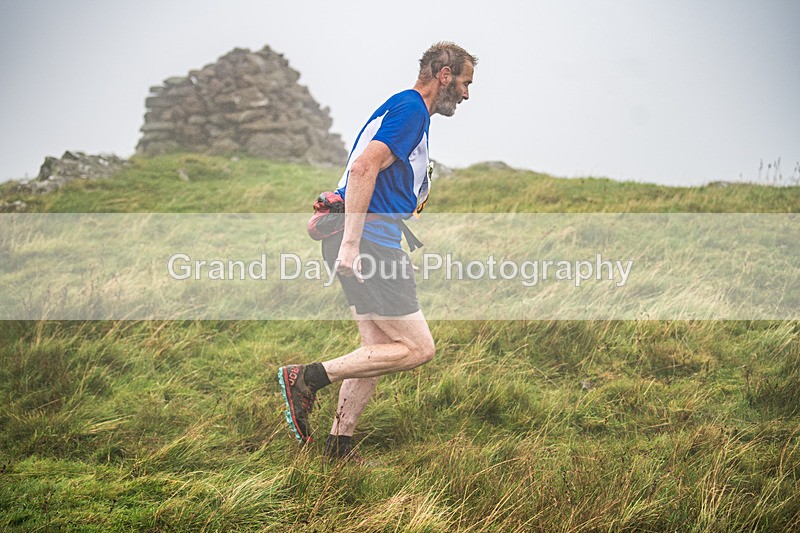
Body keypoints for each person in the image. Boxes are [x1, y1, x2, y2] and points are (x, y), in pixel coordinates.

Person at [278, 42, 477, 461]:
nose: (466, 94)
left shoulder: (401, 108)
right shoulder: (412, 111)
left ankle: (339, 445)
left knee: (374, 350)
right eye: (464, 82)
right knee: (419, 348)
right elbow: (363, 167)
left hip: (364, 237)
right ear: (445, 75)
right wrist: (351, 245)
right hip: (369, 241)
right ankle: (306, 378)